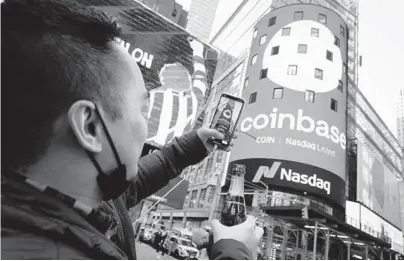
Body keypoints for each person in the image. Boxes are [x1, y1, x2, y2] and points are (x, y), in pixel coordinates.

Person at [1, 0, 263, 259]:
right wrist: (234, 254)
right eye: (141, 109)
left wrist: (190, 147)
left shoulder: (80, 195)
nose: (145, 125)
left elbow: (133, 187)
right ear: (90, 126)